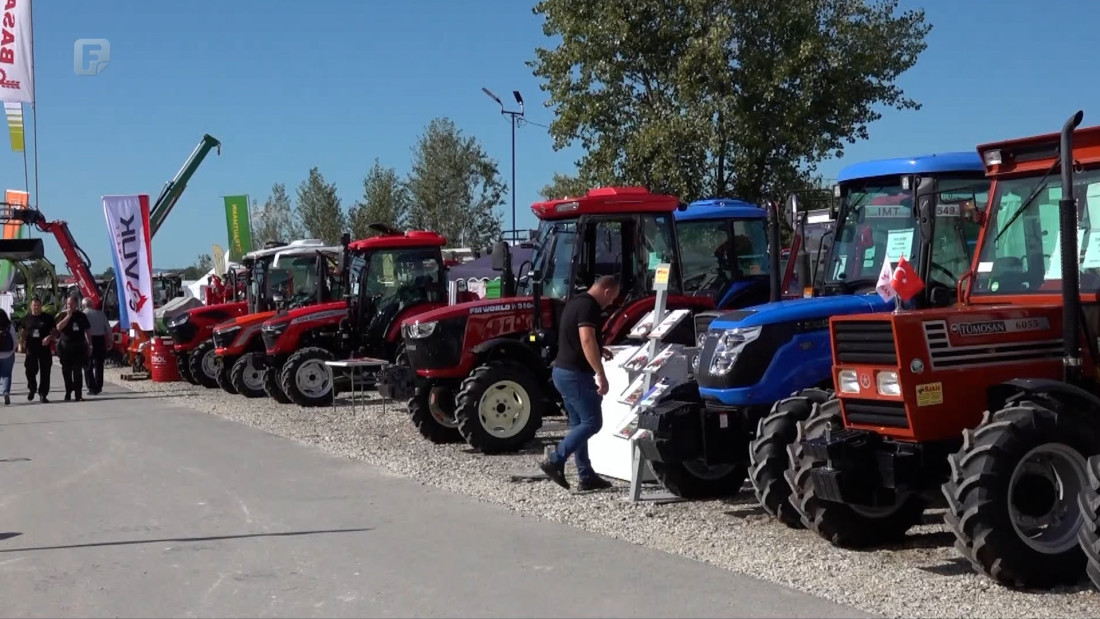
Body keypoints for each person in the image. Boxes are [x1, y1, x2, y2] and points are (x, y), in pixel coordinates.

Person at [538, 275, 620, 492]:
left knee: (579, 424)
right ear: (606, 291)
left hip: (562, 372)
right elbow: (586, 339)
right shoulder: (589, 307)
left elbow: (575, 337)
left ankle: (586, 475)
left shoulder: (575, 301)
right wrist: (600, 373)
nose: (611, 303)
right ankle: (555, 460)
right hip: (575, 375)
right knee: (592, 422)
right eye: (612, 298)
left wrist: (600, 349)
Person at [19, 296, 56, 403]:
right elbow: (23, 332)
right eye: (34, 305)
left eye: (38, 305)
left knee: (45, 371)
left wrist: (49, 337)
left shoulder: (48, 318)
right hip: (31, 348)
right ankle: (32, 388)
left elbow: (55, 331)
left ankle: (43, 394)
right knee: (30, 371)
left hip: (44, 348)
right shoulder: (27, 318)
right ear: (31, 306)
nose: (36, 307)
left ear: (41, 306)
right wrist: (21, 344)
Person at [55, 295, 92, 402]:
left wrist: (90, 345)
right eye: (68, 304)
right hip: (65, 347)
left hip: (78, 346)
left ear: (76, 304)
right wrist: (68, 316)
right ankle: (68, 391)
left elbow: (88, 330)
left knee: (77, 371)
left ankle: (78, 394)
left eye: (71, 304)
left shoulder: (81, 316)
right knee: (66, 371)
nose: (69, 306)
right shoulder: (62, 314)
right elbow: (58, 327)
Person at [81, 297, 110, 395]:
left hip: (88, 339)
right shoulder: (101, 314)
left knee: (87, 364)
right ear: (92, 304)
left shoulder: (83, 314)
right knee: (99, 364)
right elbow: (108, 329)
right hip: (100, 339)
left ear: (83, 305)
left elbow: (82, 329)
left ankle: (91, 387)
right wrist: (110, 340)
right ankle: (99, 386)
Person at [0, 308, 16, 405]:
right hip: (8, 355)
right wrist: (12, 351)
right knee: (6, 374)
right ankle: (6, 392)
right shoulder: (9, 326)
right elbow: (15, 340)